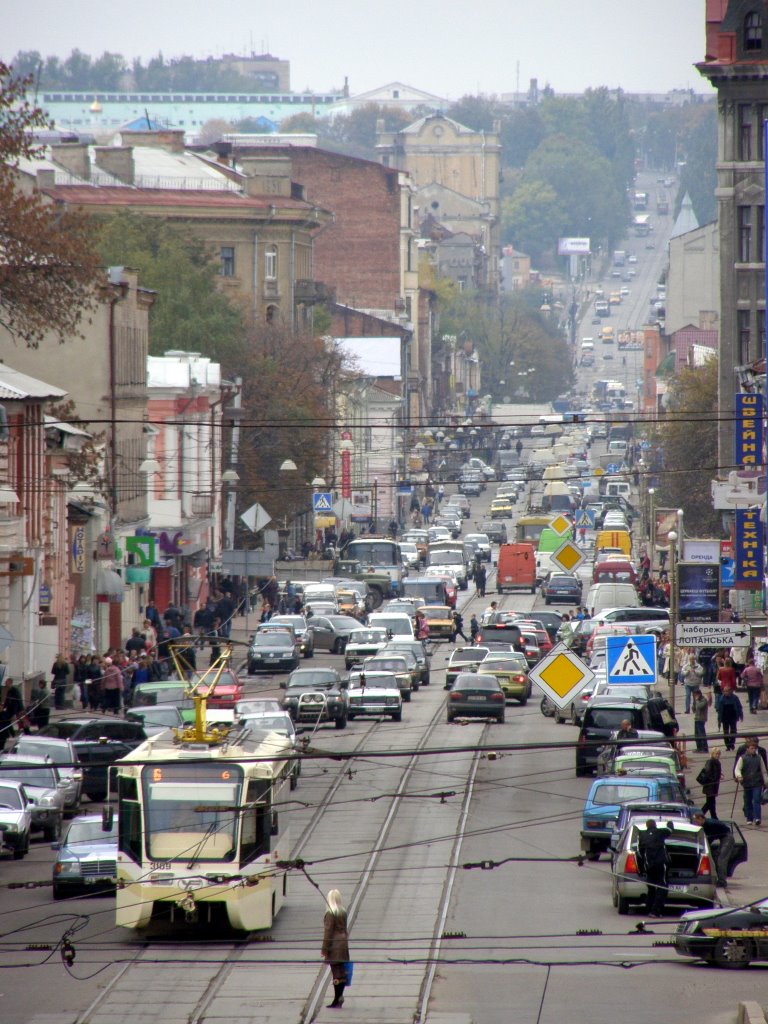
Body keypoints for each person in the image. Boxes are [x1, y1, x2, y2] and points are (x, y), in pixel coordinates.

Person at [321, 889, 350, 1009]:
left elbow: (328, 932)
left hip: (334, 945)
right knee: (341, 972)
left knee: (336, 972)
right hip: (343, 944)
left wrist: (324, 948)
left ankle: (336, 999)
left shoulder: (330, 913)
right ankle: (340, 996)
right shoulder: (343, 911)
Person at [637, 819, 673, 917]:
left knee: (651, 887)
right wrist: (669, 822)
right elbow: (670, 830)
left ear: (646, 826)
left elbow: (639, 853)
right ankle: (655, 911)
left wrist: (642, 868)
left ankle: (649, 909)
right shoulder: (660, 832)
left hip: (649, 866)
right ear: (655, 825)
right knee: (662, 886)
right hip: (661, 864)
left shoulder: (642, 835)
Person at [691, 812, 733, 888]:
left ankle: (722, 882)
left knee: (721, 860)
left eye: (696, 821)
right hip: (723, 838)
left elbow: (710, 838)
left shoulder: (708, 824)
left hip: (727, 838)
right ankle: (719, 878)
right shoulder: (706, 823)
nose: (695, 823)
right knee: (717, 857)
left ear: (700, 818)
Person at [735, 739, 765, 826]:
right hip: (747, 783)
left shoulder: (759, 758)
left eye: (754, 749)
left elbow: (763, 770)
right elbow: (737, 769)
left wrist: (766, 782)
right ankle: (749, 818)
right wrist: (739, 776)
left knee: (756, 800)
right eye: (751, 748)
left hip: (757, 783)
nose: (753, 750)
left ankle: (757, 818)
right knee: (747, 801)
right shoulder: (742, 758)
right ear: (747, 749)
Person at [698, 748, 722, 818]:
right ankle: (703, 816)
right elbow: (707, 772)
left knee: (711, 802)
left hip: (714, 785)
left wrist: (719, 775)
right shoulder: (710, 761)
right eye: (716, 754)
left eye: (718, 754)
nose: (717, 755)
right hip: (709, 785)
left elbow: (716, 772)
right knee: (710, 802)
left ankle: (710, 816)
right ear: (712, 754)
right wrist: (713, 778)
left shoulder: (717, 762)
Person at [719, 686, 743, 751]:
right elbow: (720, 710)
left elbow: (739, 707)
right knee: (725, 732)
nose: (725, 692)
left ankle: (732, 743)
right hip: (725, 718)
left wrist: (741, 716)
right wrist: (719, 720)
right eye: (724, 691)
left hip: (733, 717)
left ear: (730, 691)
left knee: (733, 731)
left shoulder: (735, 698)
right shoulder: (721, 699)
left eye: (727, 691)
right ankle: (727, 745)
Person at [692, 687, 709, 753]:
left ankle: (705, 748)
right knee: (696, 735)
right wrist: (694, 703)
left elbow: (700, 706)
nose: (694, 696)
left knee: (702, 734)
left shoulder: (703, 700)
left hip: (701, 719)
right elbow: (694, 710)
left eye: (695, 695)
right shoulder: (696, 701)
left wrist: (696, 701)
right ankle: (698, 748)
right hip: (696, 719)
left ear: (699, 694)